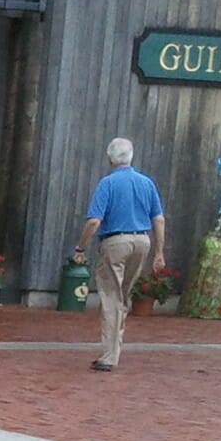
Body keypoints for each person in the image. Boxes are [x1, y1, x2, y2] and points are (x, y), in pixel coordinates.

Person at [72, 138, 166, 373]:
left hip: (116, 241)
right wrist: (159, 252)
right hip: (142, 240)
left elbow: (94, 221)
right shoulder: (147, 183)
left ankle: (109, 355)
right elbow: (159, 218)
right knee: (123, 297)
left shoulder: (108, 183)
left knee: (111, 297)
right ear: (131, 156)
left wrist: (80, 247)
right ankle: (115, 348)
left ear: (110, 158)